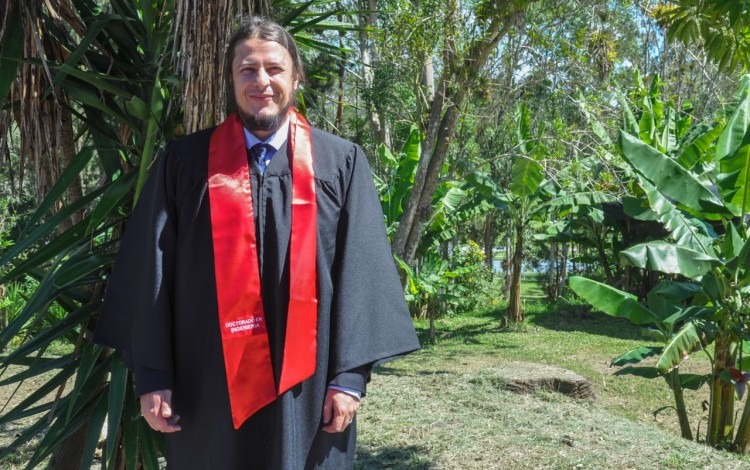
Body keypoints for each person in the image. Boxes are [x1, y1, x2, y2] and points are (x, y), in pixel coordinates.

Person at [95, 16, 420, 469]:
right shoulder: (184, 163)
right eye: (247, 70)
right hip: (206, 383)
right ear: (231, 79)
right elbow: (151, 269)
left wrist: (348, 379)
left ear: (296, 76)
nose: (261, 81)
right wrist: (153, 376)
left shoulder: (341, 163)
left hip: (308, 390)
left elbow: (360, 270)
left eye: (274, 69)